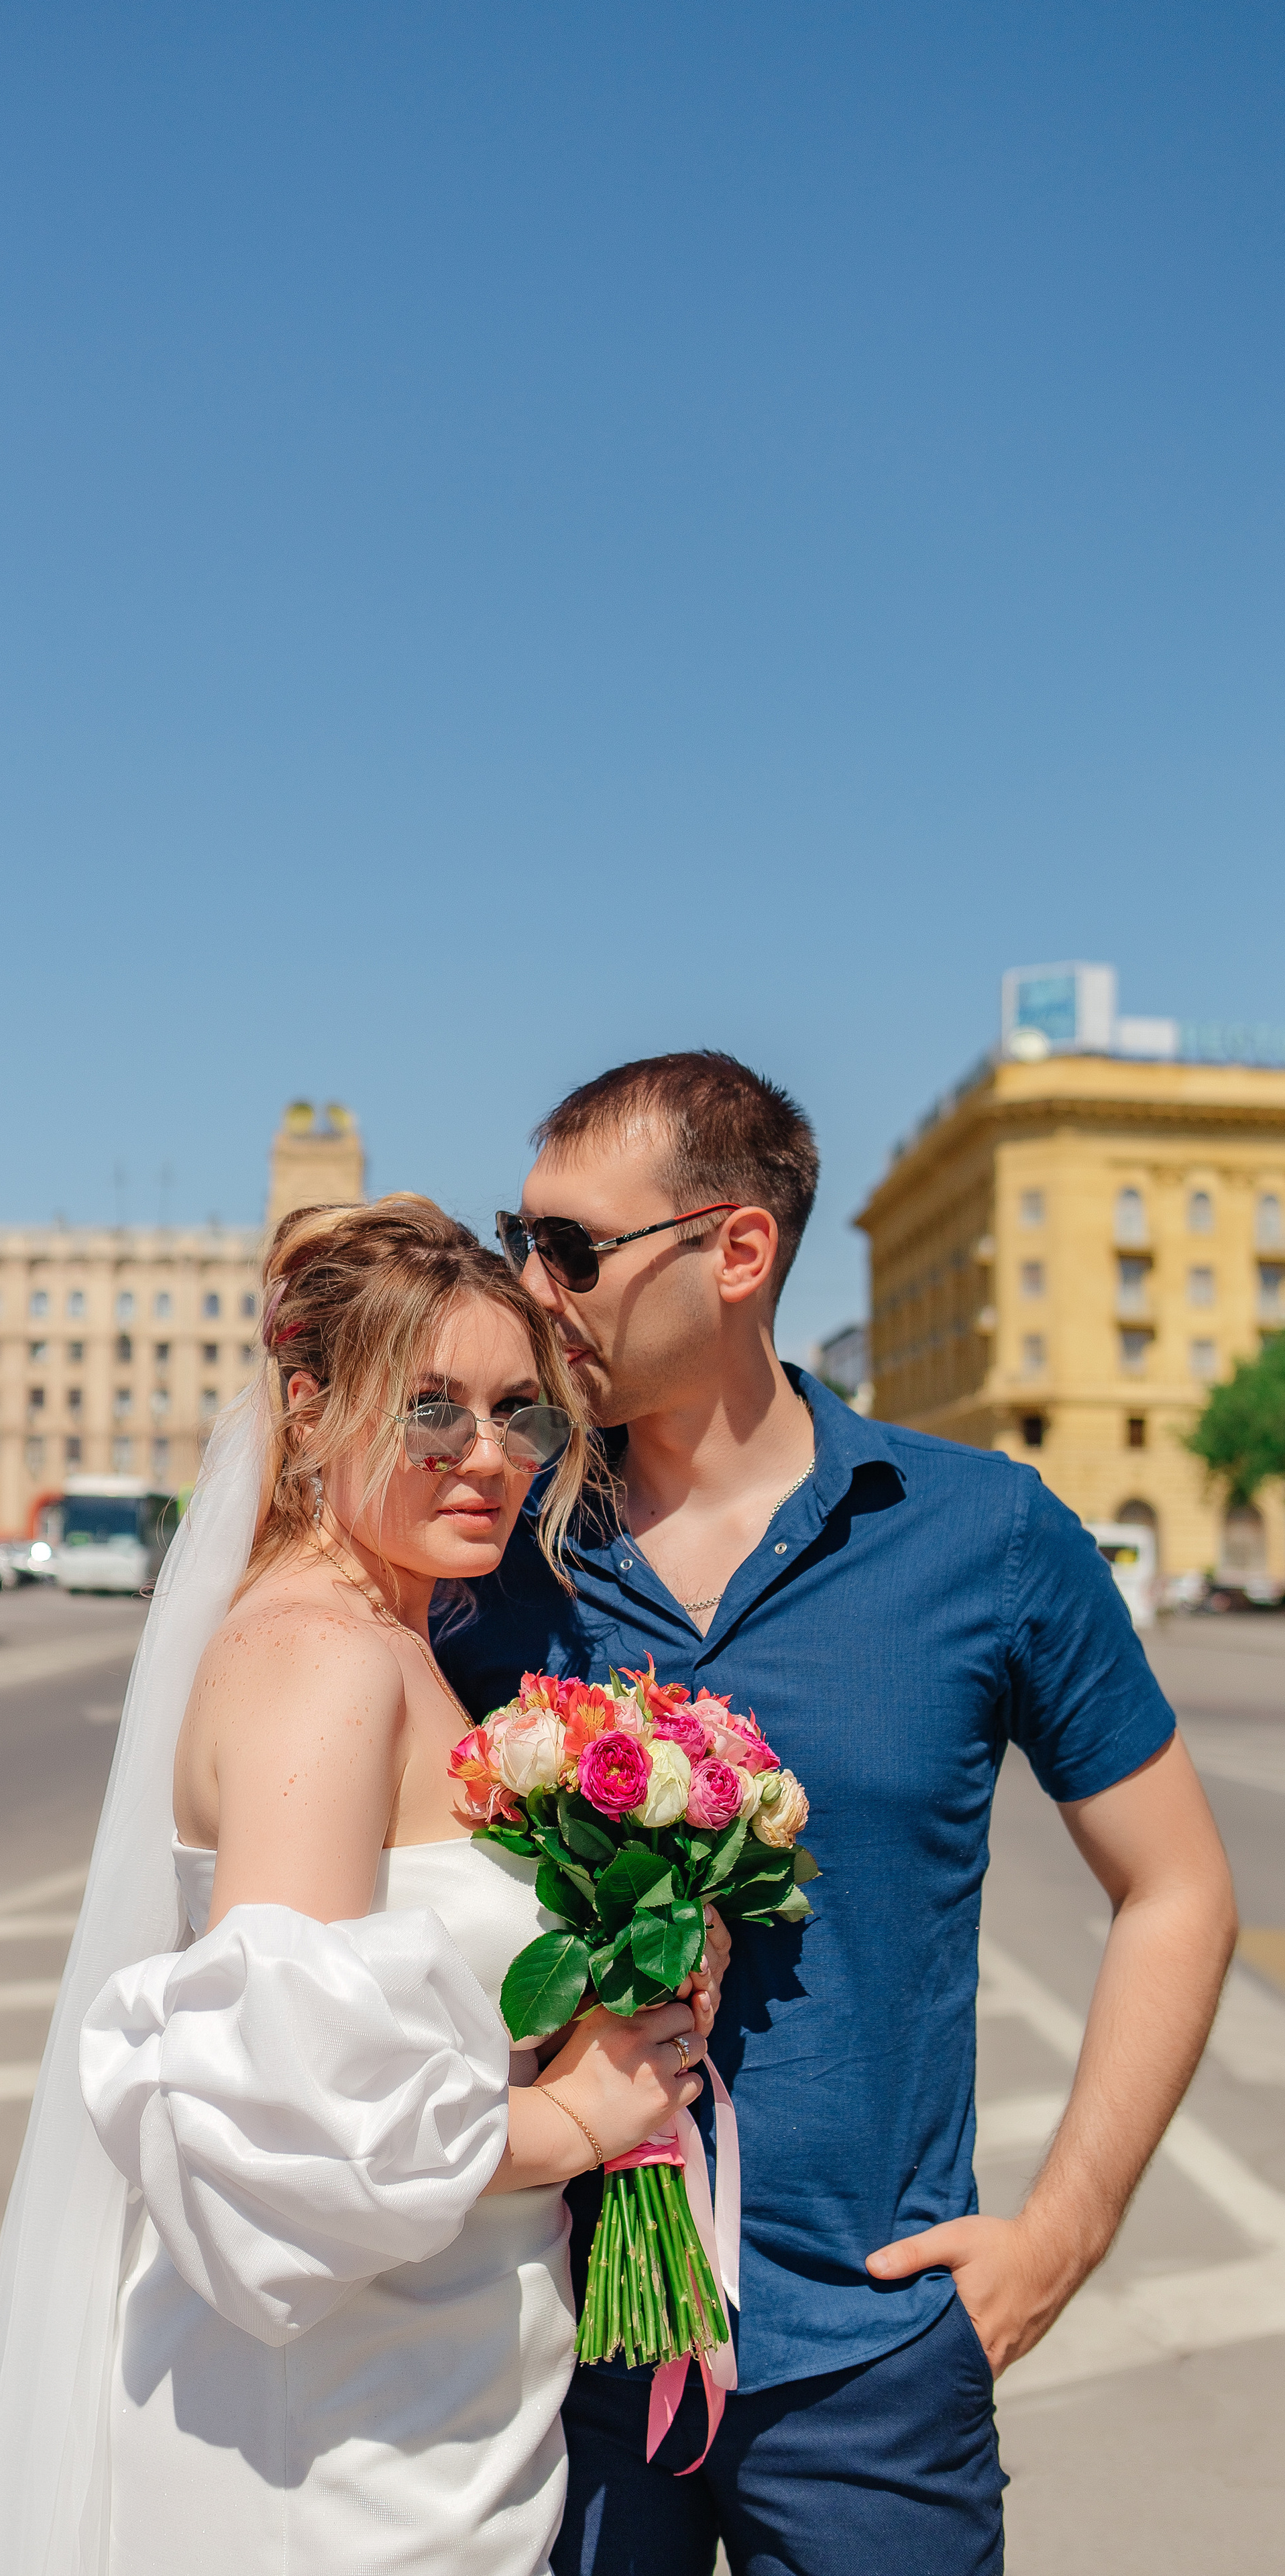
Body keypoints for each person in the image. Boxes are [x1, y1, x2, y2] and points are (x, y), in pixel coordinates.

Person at [435, 1052, 1238, 2576]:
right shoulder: (493, 1554)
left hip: (873, 2372)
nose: (535, 1289)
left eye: (574, 1249)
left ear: (735, 1253)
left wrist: (1058, 2237)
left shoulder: (983, 1537)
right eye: (519, 1236)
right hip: (549, 2357)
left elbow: (1177, 1886)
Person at [0, 1193, 727, 2576]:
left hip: (427, 2385)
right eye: (431, 1410)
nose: (487, 1457)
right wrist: (579, 2116)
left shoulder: (392, 1638)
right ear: (304, 1413)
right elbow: (287, 2114)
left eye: (518, 1414)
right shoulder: (324, 1661)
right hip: (331, 2439)